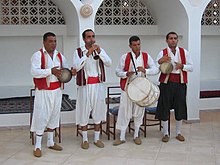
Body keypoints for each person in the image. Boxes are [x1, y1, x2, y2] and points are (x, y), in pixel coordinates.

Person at [30, 32, 74, 157]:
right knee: (42, 116)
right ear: (44, 42)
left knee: (54, 115)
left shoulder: (59, 56)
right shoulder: (38, 55)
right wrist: (51, 71)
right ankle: (37, 146)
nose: (53, 44)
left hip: (57, 91)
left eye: (55, 41)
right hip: (44, 91)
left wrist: (71, 72)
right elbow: (34, 72)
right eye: (50, 41)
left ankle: (50, 141)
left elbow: (65, 69)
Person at [113, 36, 159, 146]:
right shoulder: (125, 57)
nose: (137, 47)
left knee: (139, 112)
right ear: (130, 46)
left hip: (141, 89)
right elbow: (117, 71)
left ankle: (136, 135)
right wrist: (126, 74)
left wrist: (145, 70)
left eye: (138, 44)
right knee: (125, 111)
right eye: (134, 45)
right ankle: (122, 137)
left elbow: (156, 69)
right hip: (127, 88)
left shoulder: (146, 56)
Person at [72, 29, 112, 149]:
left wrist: (100, 52)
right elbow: (77, 67)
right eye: (89, 37)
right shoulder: (78, 52)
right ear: (84, 39)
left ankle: (96, 138)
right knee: (84, 111)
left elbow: (109, 63)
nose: (92, 39)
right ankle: (84, 139)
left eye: (93, 36)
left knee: (98, 110)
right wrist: (87, 54)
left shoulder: (100, 50)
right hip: (85, 86)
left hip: (98, 85)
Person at [155, 31, 193, 142]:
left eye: (175, 38)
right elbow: (155, 68)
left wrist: (183, 66)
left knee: (179, 107)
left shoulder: (184, 52)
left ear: (177, 40)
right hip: (166, 84)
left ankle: (178, 132)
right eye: (170, 38)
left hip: (180, 84)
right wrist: (159, 61)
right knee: (164, 107)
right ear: (167, 40)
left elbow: (192, 67)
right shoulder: (162, 53)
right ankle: (166, 133)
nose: (173, 40)